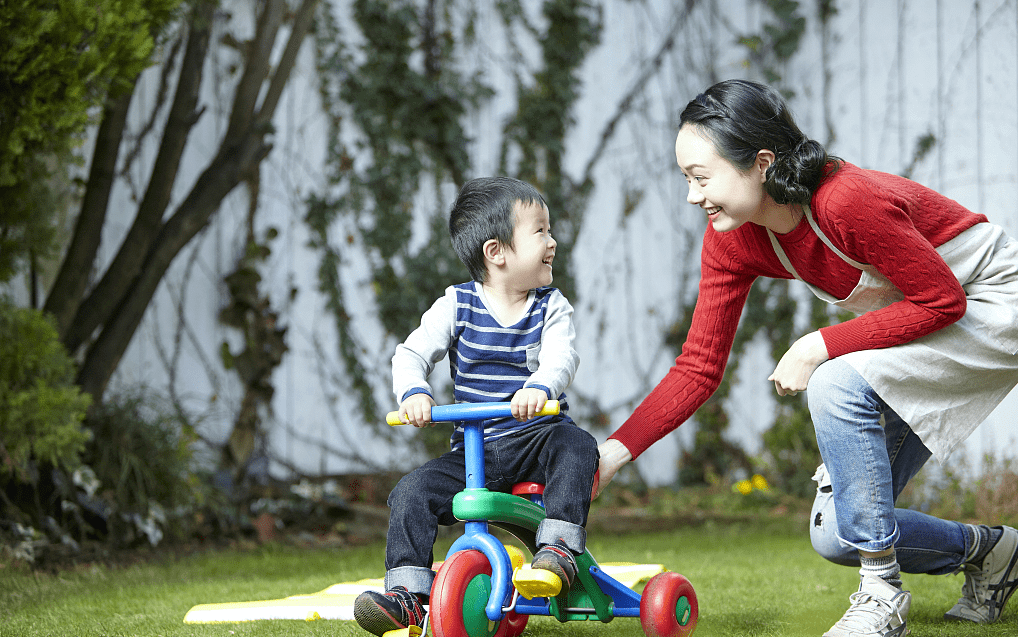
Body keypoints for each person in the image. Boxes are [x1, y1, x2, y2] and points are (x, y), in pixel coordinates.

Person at [595, 79, 1018, 636]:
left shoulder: (845, 200)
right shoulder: (731, 238)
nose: (693, 196)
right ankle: (993, 553)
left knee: (834, 381)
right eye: (687, 180)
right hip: (926, 315)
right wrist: (612, 455)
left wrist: (817, 344)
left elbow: (943, 298)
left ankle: (880, 594)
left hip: (990, 299)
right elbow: (698, 366)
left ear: (762, 164)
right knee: (837, 529)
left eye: (701, 178)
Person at [353, 177, 599, 636]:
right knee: (411, 492)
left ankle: (560, 549)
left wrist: (541, 387)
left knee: (578, 445)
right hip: (475, 453)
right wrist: (414, 393)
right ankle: (408, 596)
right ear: (496, 252)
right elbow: (410, 355)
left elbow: (562, 356)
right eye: (541, 231)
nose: (553, 241)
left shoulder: (552, 308)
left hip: (535, 439)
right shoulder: (456, 304)